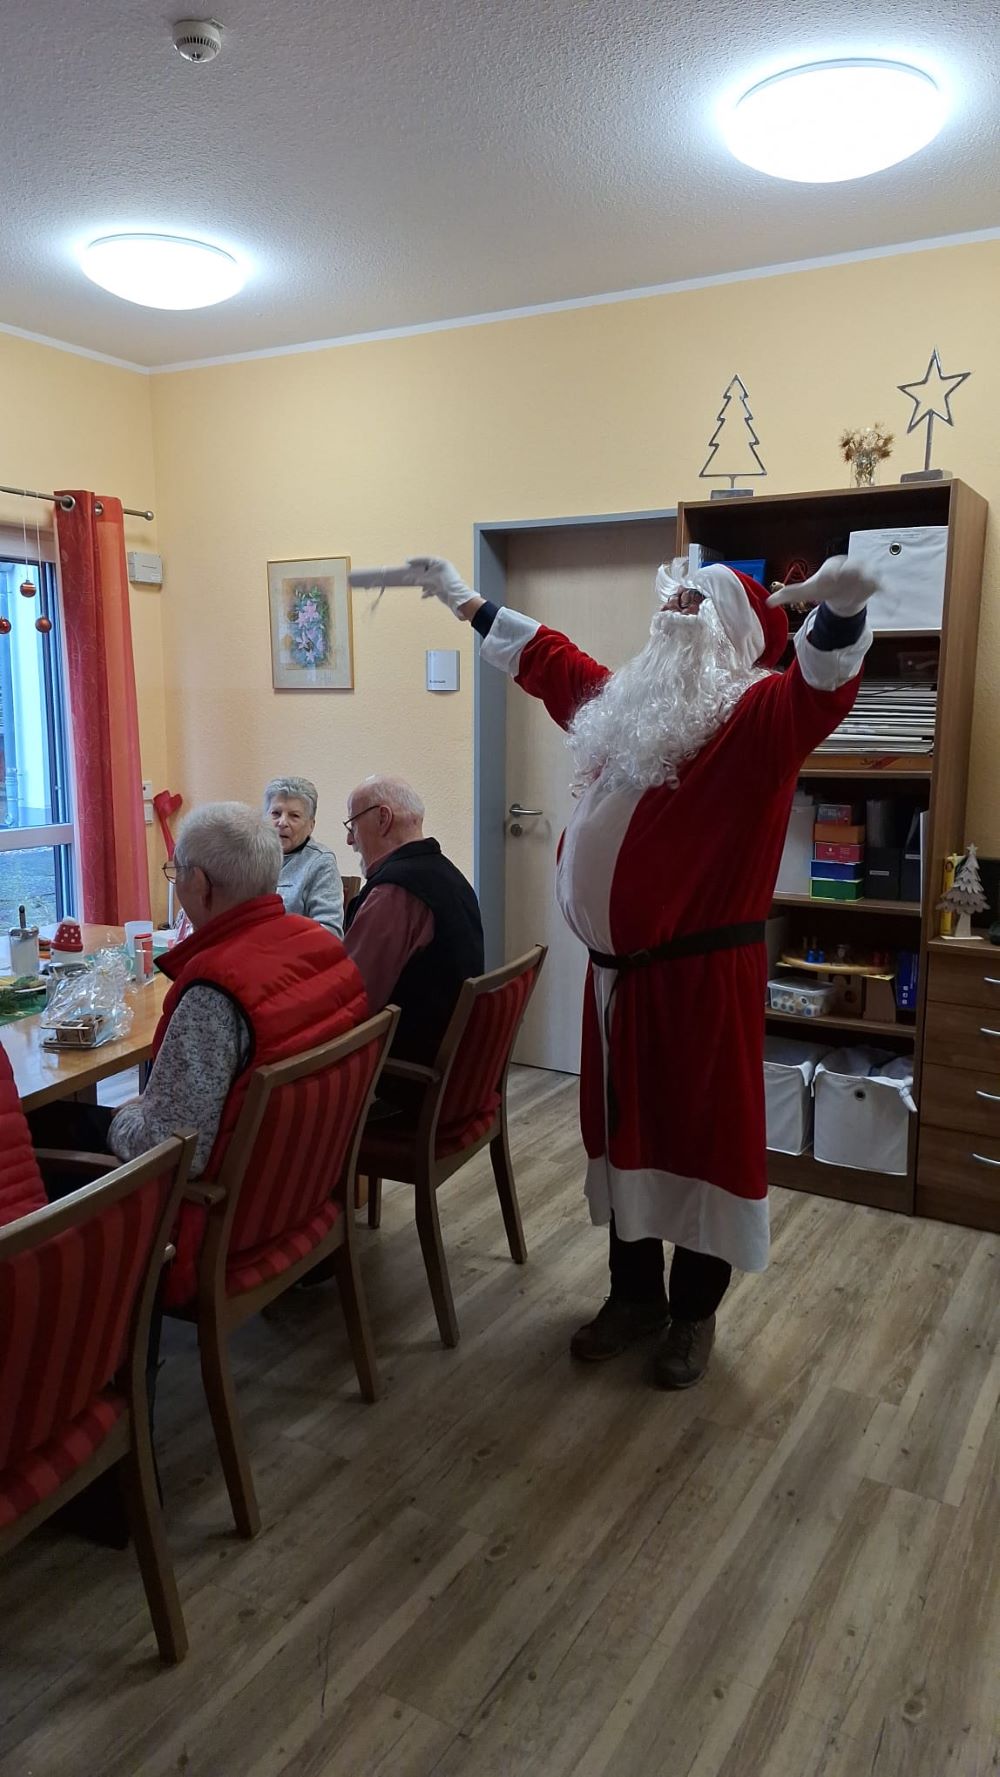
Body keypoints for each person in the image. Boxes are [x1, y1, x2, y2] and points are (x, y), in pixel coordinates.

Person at [351, 552, 876, 1388]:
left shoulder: (755, 718)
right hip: (616, 985)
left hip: (700, 988)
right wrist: (466, 599)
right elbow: (552, 664)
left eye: (693, 603)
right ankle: (631, 1296)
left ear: (733, 639)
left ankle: (692, 1315)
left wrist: (841, 619)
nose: (672, 611)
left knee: (699, 1143)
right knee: (623, 1134)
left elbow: (818, 691)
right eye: (669, 598)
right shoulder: (632, 707)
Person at [341, 774, 484, 1067]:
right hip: (456, 1059)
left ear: (383, 818)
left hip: (405, 1073)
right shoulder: (447, 873)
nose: (349, 839)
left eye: (352, 825)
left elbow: (353, 998)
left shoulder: (394, 892)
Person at [264, 775, 345, 936]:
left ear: (311, 825)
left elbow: (330, 932)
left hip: (289, 956)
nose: (282, 822)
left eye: (294, 816)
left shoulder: (321, 862)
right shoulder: (249, 857)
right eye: (276, 813)